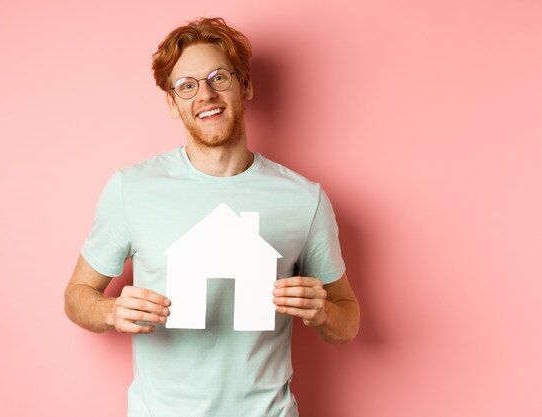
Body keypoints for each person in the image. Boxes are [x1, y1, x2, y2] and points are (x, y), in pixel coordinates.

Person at [64, 17, 360, 417]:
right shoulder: (130, 189)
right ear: (173, 103)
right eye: (187, 86)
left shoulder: (304, 200)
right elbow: (76, 295)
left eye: (219, 77)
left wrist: (324, 311)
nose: (205, 94)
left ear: (246, 85)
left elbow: (348, 319)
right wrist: (111, 311)